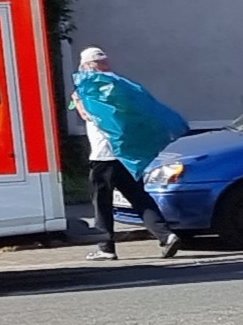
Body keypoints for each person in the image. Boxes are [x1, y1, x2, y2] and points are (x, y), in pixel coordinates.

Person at [68, 47, 182, 259]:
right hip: (126, 155)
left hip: (103, 157)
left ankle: (106, 248)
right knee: (139, 198)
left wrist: (78, 101)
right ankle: (166, 235)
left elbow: (89, 116)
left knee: (102, 204)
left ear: (88, 65)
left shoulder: (90, 89)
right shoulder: (122, 86)